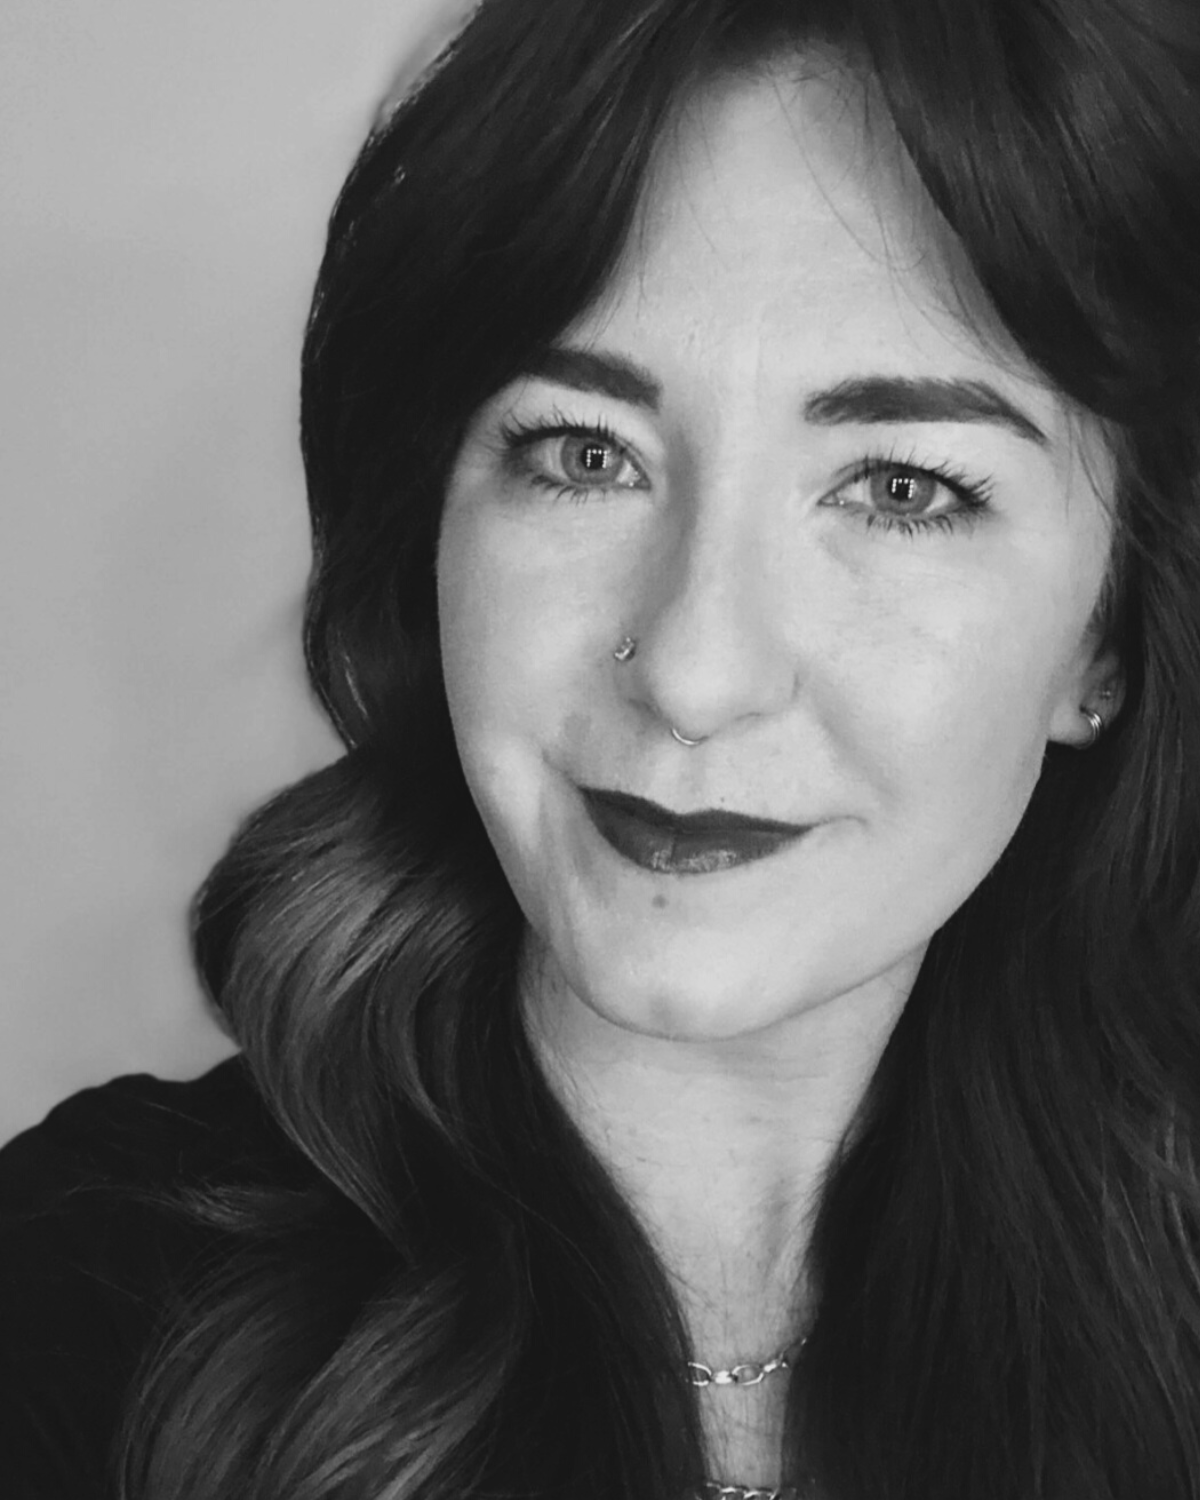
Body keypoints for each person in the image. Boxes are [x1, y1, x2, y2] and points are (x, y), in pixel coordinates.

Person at [5, 0, 1200, 1495]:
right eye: (584, 454)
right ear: (432, 533)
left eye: (900, 489)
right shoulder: (73, 1313)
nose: (695, 675)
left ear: (1108, 638)